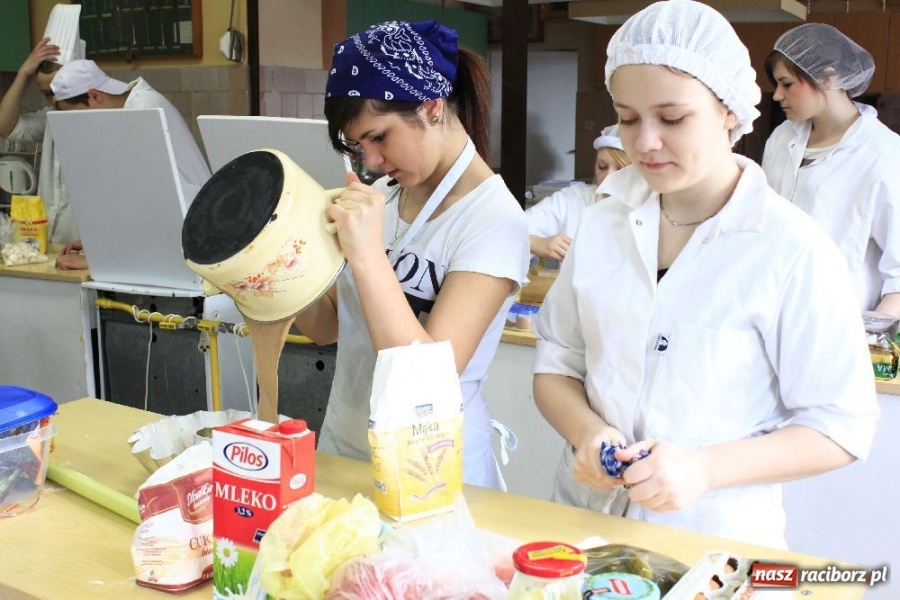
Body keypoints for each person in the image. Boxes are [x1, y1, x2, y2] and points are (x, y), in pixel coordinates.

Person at [532, 0, 878, 548]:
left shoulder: (791, 249)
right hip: (585, 526)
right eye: (627, 118)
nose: (644, 142)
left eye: (672, 119)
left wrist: (704, 470)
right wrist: (586, 432)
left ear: (730, 113)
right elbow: (556, 363)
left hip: (710, 543)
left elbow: (841, 427)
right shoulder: (602, 223)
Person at [292, 20, 529, 489]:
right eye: (359, 146)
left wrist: (366, 256)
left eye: (379, 137)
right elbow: (325, 327)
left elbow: (427, 380)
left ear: (432, 108)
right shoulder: (387, 195)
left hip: (430, 468)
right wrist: (280, 268)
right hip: (347, 444)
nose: (372, 161)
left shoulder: (493, 220)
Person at [761, 24, 900, 318]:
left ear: (828, 76)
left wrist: (870, 342)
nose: (777, 96)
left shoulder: (883, 153)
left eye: (786, 83)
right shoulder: (782, 138)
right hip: (773, 308)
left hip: (842, 322)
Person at [49, 59, 211, 270]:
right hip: (178, 237)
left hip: (191, 239)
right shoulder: (132, 108)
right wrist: (106, 245)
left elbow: (148, 199)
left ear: (94, 96)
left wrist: (105, 257)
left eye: (78, 117)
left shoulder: (145, 109)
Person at [0, 38, 78, 246]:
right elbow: (6, 126)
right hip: (51, 239)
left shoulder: (105, 117)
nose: (53, 100)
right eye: (46, 94)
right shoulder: (51, 116)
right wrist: (23, 74)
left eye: (55, 92)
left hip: (84, 241)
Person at [526, 125, 630, 262]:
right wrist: (535, 242)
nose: (608, 178)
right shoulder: (574, 200)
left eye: (620, 170)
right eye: (602, 167)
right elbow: (505, 233)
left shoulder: (658, 210)